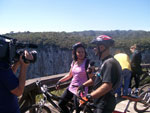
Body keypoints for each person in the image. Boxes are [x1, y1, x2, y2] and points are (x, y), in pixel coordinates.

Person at [78, 35, 122, 113]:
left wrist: (90, 96)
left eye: (96, 47)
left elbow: (107, 86)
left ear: (101, 47)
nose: (94, 49)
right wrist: (83, 85)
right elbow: (97, 79)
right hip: (100, 101)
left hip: (104, 103)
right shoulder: (105, 62)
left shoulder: (109, 63)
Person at [56, 42, 90, 113]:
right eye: (79, 52)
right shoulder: (74, 62)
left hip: (81, 89)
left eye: (82, 52)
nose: (81, 53)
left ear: (85, 52)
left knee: (78, 109)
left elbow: (91, 76)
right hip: (71, 87)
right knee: (61, 103)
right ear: (75, 53)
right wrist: (60, 81)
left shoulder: (87, 62)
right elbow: (70, 75)